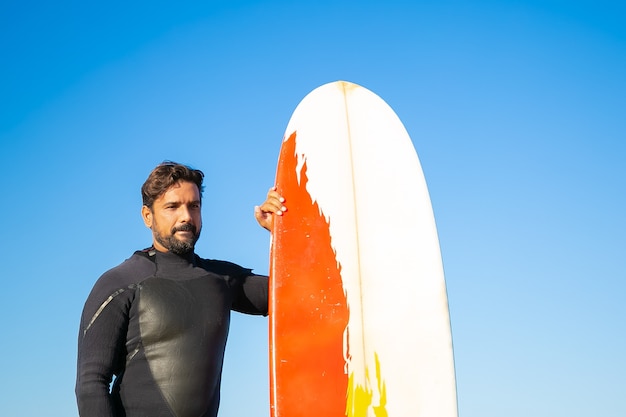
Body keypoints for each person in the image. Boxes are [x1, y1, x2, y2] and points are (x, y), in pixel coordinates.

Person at [75, 161, 286, 417]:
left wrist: (283, 231)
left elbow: (293, 293)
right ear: (147, 216)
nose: (186, 216)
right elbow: (90, 384)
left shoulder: (221, 279)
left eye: (194, 206)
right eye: (172, 207)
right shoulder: (120, 282)